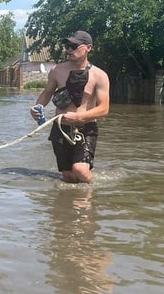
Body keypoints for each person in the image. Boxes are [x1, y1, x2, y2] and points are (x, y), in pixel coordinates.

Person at [30, 31, 110, 183]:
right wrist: (37, 107)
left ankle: (89, 199)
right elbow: (47, 93)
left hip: (86, 129)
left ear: (88, 47)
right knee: (68, 175)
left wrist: (79, 116)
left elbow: (104, 108)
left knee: (80, 170)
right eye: (67, 46)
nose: (68, 49)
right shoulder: (56, 70)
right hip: (60, 129)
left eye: (73, 46)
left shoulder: (100, 76)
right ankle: (68, 204)